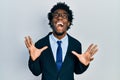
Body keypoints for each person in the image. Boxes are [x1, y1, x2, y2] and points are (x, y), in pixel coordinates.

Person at [24, 2, 98, 80]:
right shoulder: (40, 44)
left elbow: (77, 71)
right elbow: (36, 72)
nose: (60, 18)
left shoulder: (76, 44)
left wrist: (83, 64)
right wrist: (33, 60)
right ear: (51, 22)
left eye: (64, 16)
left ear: (69, 23)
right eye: (56, 15)